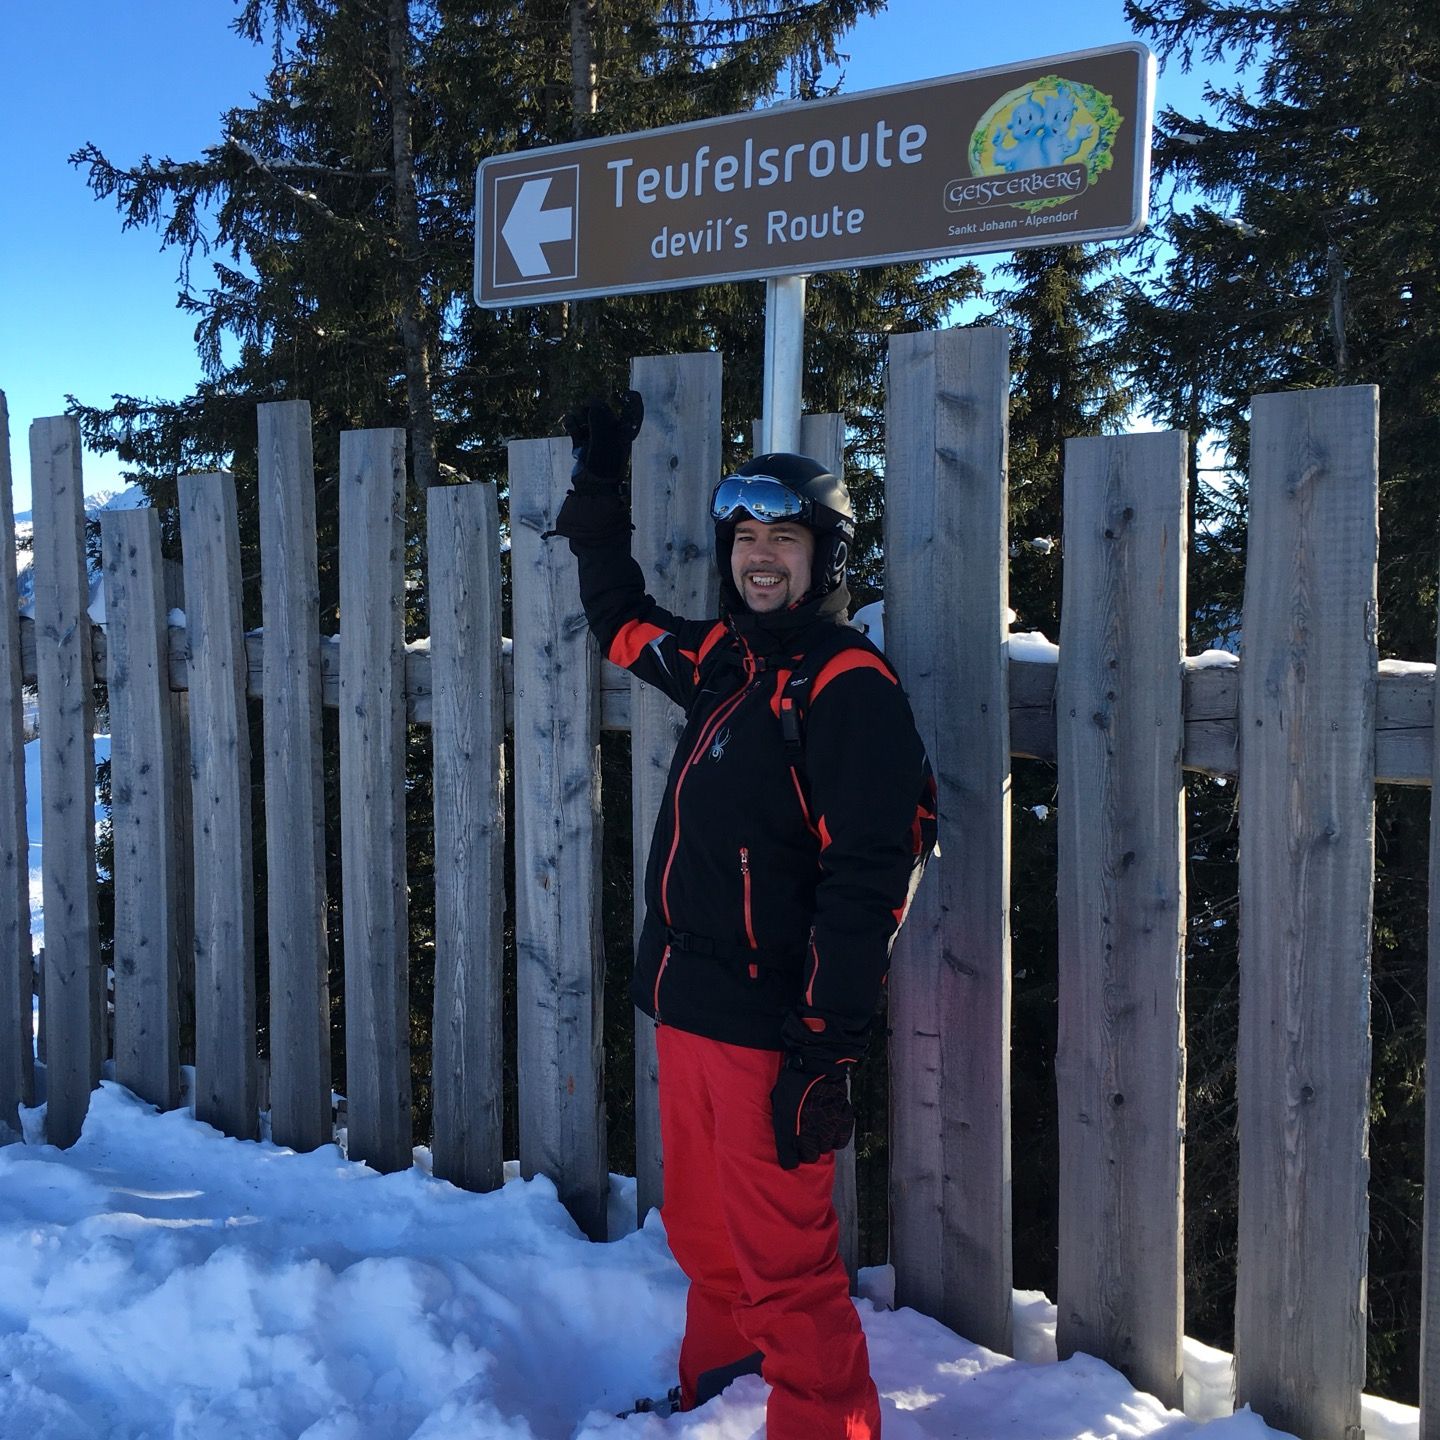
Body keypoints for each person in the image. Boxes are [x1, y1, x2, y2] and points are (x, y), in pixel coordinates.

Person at [548, 392, 935, 1440]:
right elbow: (617, 617)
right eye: (747, 539)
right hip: (690, 1012)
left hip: (773, 1033)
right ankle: (715, 1395)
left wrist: (822, 1046)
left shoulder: (847, 688)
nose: (763, 558)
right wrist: (597, 481)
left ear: (827, 556)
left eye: (787, 540)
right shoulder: (730, 663)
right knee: (713, 1245)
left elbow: (869, 881)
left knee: (788, 1272)